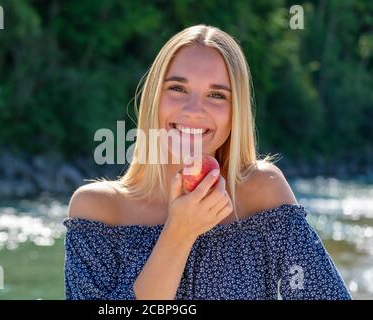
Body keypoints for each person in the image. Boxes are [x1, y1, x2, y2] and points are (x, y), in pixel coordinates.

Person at [63, 24, 351, 300]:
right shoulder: (99, 211)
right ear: (154, 98)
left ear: (235, 112)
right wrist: (179, 233)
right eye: (177, 88)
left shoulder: (262, 193)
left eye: (216, 95)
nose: (193, 110)